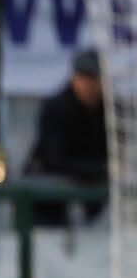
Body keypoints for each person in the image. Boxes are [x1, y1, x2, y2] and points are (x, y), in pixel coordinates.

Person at [26, 49, 108, 226]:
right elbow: (53, 159)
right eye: (83, 77)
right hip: (50, 198)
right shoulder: (57, 106)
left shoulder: (108, 110)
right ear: (74, 77)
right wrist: (101, 169)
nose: (88, 85)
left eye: (93, 78)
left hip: (94, 201)